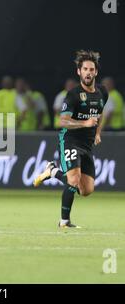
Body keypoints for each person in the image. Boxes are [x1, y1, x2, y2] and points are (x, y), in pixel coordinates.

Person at [33, 50, 108, 228]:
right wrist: (85, 123)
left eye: (91, 69)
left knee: (86, 190)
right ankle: (64, 221)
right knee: (73, 180)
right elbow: (63, 121)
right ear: (79, 72)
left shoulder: (102, 92)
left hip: (87, 144)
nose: (88, 72)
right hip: (70, 140)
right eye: (85, 69)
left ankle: (53, 172)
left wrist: (97, 131)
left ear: (96, 72)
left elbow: (100, 111)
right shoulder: (73, 95)